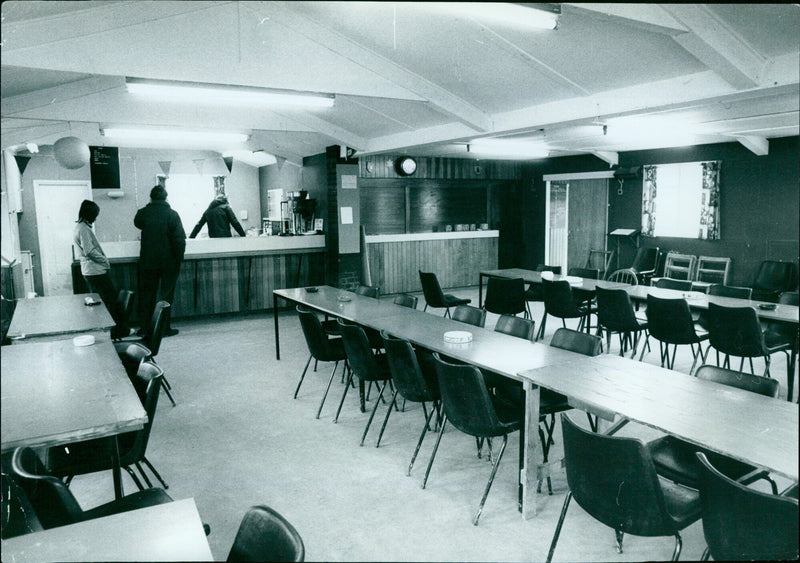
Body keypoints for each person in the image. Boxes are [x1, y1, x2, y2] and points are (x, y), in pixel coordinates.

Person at [73, 200, 130, 339]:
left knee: (104, 303)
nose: (96, 218)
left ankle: (113, 332)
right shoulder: (84, 229)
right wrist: (104, 260)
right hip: (95, 271)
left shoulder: (79, 227)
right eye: (95, 214)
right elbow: (89, 250)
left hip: (90, 271)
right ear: (89, 214)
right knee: (110, 302)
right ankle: (117, 332)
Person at [134, 185, 185, 337]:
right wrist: (179, 259)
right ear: (166, 198)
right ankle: (164, 328)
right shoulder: (172, 214)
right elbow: (180, 240)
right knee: (165, 296)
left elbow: (137, 222)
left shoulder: (143, 213)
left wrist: (149, 205)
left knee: (146, 295)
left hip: (148, 261)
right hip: (169, 262)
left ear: (151, 198)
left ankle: (145, 329)